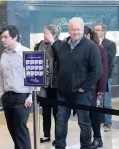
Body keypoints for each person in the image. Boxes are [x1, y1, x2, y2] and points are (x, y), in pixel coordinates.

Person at [55, 17, 102, 149]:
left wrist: (84, 87)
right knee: (60, 121)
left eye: (78, 29)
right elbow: (59, 66)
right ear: (68, 30)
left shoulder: (91, 47)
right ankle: (59, 146)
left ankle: (86, 146)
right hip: (63, 92)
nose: (75, 32)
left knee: (84, 122)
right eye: (73, 29)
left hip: (81, 93)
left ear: (83, 29)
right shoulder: (63, 46)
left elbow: (97, 71)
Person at [0, 25, 33, 149]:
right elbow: (0, 75)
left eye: (5, 37)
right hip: (8, 97)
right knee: (12, 129)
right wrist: (2, 93)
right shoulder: (4, 54)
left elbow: (35, 75)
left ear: (15, 37)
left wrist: (31, 96)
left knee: (20, 130)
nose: (2, 40)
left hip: (22, 97)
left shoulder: (26, 53)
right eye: (2, 37)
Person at [33, 24, 62, 143]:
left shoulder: (59, 45)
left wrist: (52, 42)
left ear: (54, 34)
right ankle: (46, 134)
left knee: (57, 113)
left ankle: (58, 137)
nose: (44, 35)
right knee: (45, 111)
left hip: (55, 84)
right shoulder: (38, 45)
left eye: (47, 33)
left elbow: (61, 58)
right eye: (44, 33)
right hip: (42, 84)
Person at [86, 26, 108, 149]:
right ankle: (90, 139)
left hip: (98, 91)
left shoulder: (100, 49)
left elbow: (103, 73)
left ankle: (98, 138)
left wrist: (101, 92)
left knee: (96, 114)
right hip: (88, 90)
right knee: (88, 115)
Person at [93, 23, 116, 132]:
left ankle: (108, 122)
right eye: (94, 30)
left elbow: (108, 59)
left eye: (98, 30)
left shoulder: (110, 44)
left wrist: (101, 46)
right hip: (94, 76)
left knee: (106, 100)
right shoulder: (92, 44)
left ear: (103, 32)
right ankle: (96, 120)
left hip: (106, 76)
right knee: (95, 100)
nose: (95, 32)